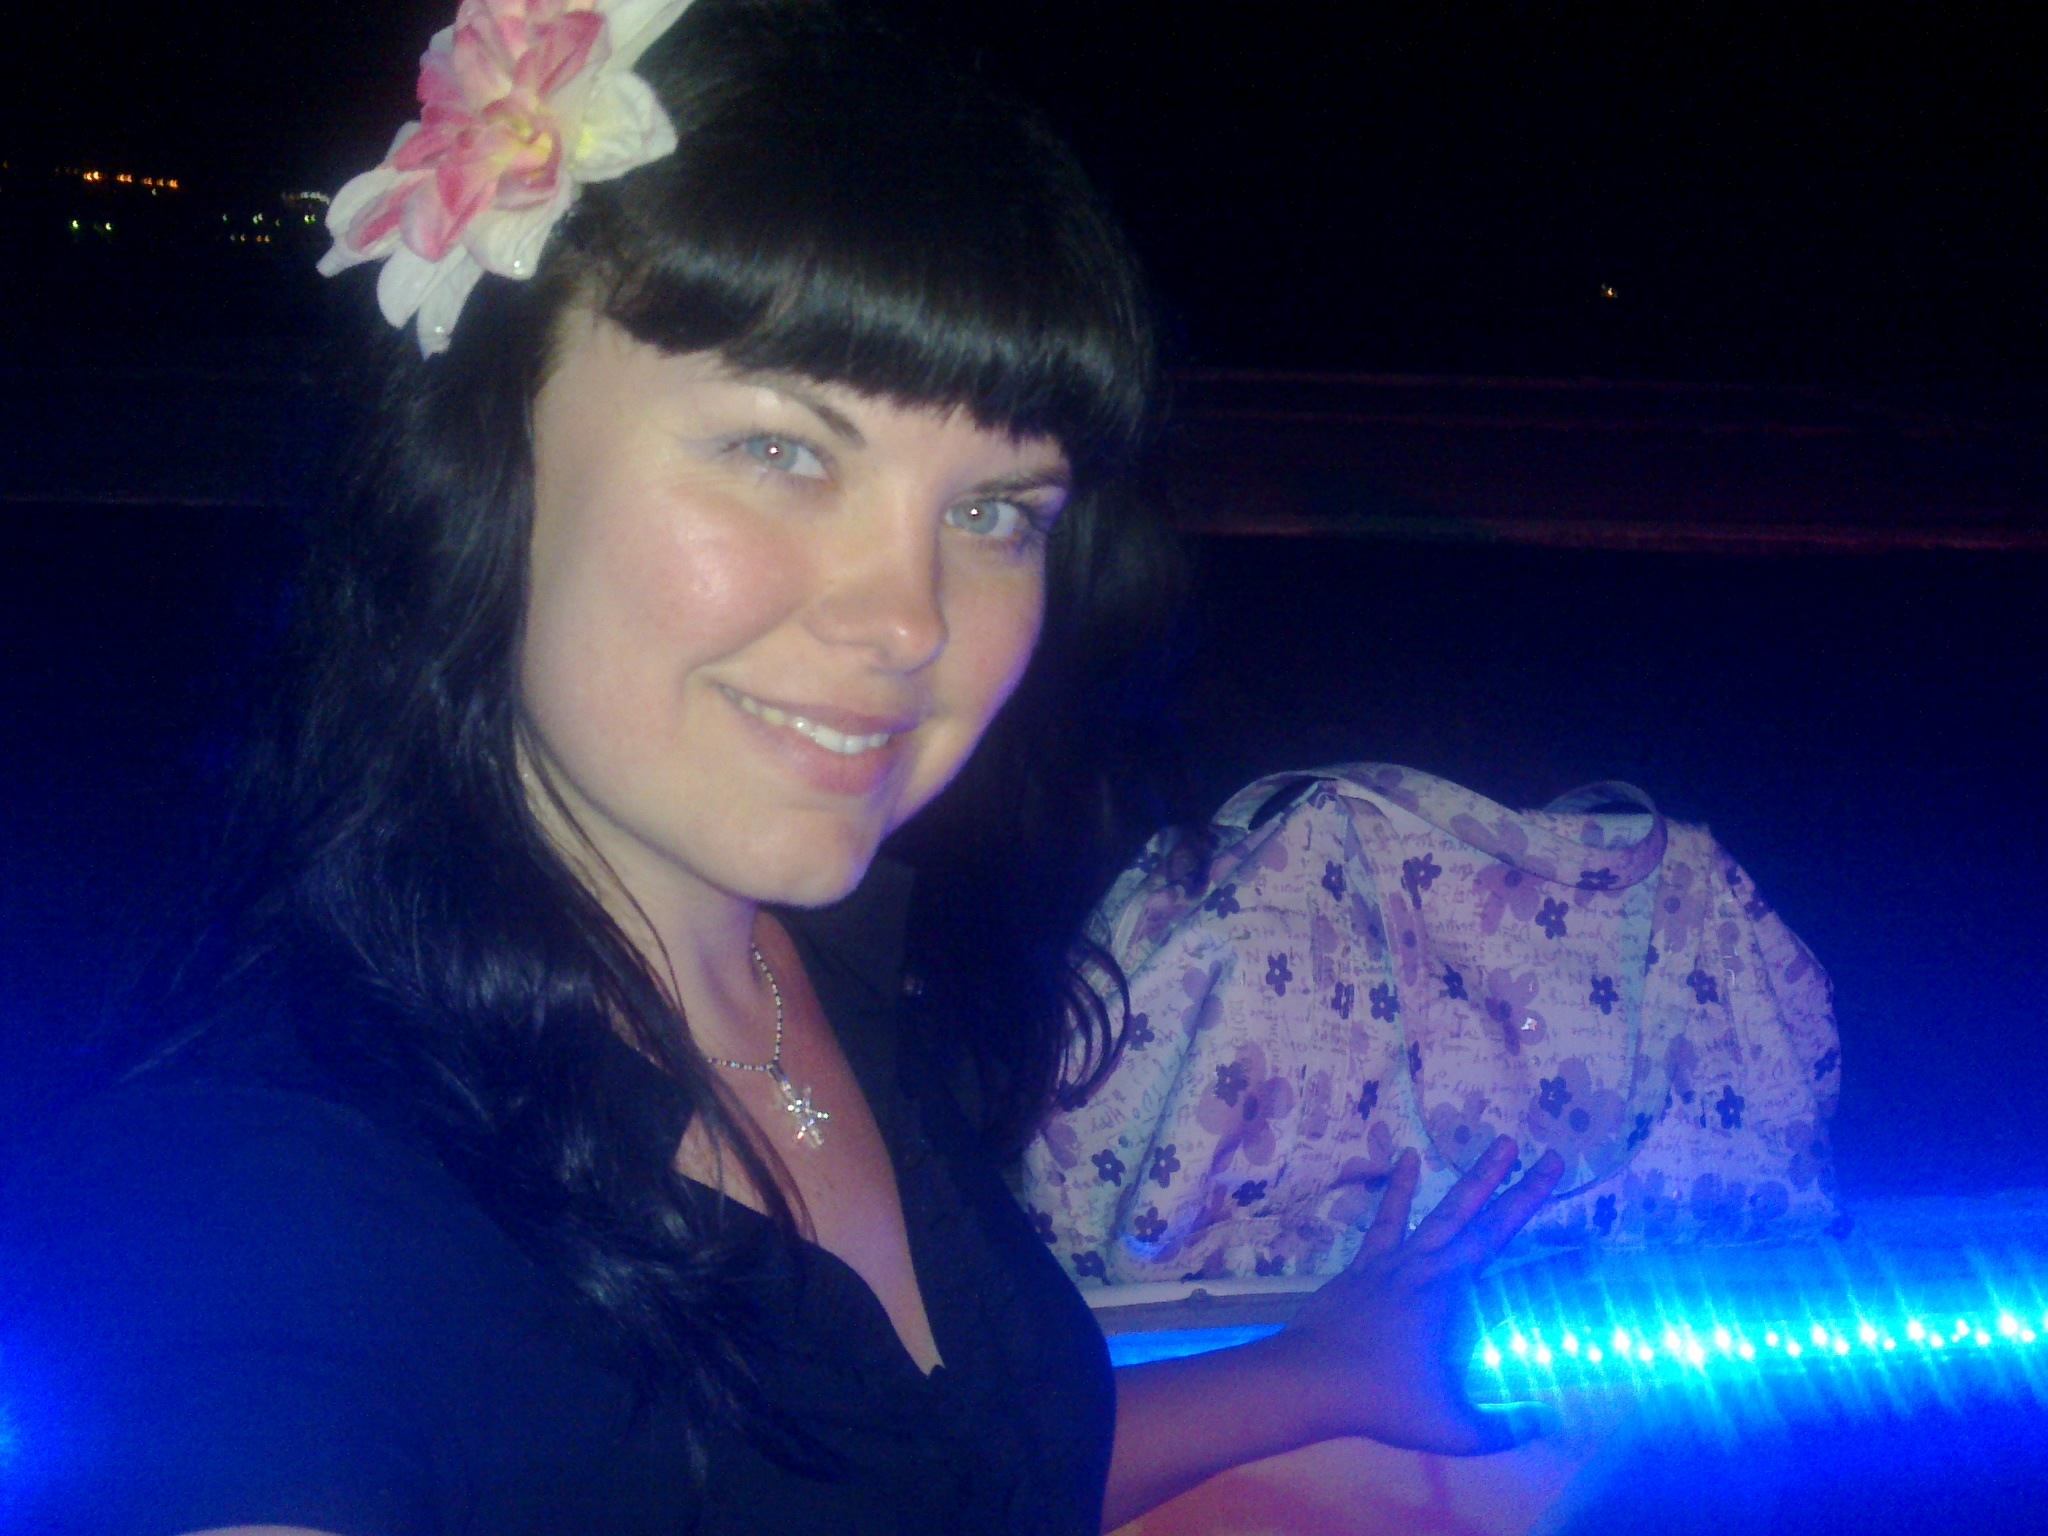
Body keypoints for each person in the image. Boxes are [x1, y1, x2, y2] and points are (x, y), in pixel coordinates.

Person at [0, 1, 1563, 1532]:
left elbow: (957, 1473)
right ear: (478, 469)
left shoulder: (831, 963)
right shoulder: (261, 1195)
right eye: (779, 450)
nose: (912, 622)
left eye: (994, 512)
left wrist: (1325, 1373)